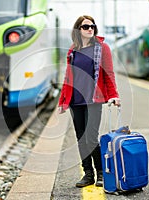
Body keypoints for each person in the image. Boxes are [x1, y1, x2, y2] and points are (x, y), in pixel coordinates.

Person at [58, 15, 120, 188]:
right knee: (80, 138)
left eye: (92, 26)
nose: (90, 29)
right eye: (86, 27)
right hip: (75, 100)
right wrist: (63, 101)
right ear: (78, 30)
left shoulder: (102, 48)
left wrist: (114, 95)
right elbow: (68, 77)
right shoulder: (72, 50)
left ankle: (101, 173)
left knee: (91, 138)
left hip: (94, 99)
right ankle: (88, 174)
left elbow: (109, 73)